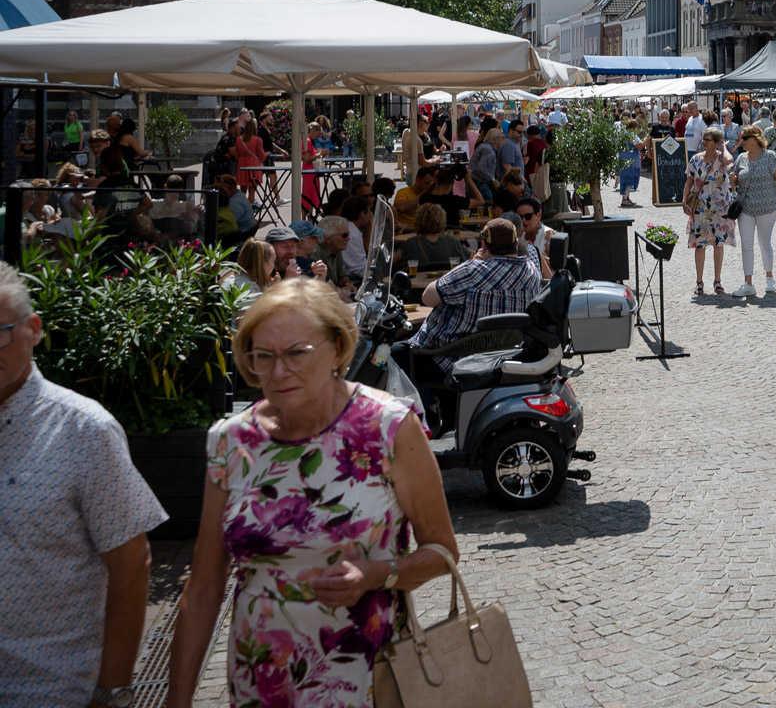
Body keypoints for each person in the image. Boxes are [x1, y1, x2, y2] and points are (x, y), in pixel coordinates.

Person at [165, 281, 457, 707]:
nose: (278, 371)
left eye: (296, 353)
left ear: (337, 349)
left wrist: (376, 575)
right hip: (262, 684)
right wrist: (176, 700)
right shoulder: (231, 440)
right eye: (263, 356)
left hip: (367, 680)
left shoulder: (387, 428)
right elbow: (204, 589)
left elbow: (443, 552)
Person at [0, 267, 165, 708]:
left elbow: (131, 563)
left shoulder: (83, 430)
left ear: (34, 329)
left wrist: (112, 691)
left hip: (50, 690)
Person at [405, 219, 541, 372]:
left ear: (483, 246)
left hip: (449, 360)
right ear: (516, 244)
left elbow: (427, 298)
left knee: (394, 355)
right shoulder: (532, 272)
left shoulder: (472, 271)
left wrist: (470, 263)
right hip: (503, 358)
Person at [730, 125, 776, 298]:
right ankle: (748, 283)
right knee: (746, 245)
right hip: (745, 208)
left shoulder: (770, 156)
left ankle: (769, 278)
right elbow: (736, 184)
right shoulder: (740, 158)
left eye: (744, 138)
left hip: (767, 207)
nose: (741, 142)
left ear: (755, 139)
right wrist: (733, 182)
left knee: (765, 243)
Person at [684, 128, 737, 298]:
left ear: (717, 143)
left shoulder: (722, 159)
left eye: (708, 140)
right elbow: (689, 181)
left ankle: (717, 280)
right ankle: (699, 282)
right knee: (700, 245)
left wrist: (724, 148)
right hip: (700, 207)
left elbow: (730, 160)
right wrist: (684, 200)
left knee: (718, 244)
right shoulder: (695, 159)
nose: (704, 142)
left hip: (720, 208)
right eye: (703, 139)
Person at [401, 202, 470, 272]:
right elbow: (471, 261)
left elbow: (395, 260)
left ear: (418, 220)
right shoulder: (451, 241)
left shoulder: (411, 243)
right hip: (446, 278)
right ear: (442, 220)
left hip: (417, 279)